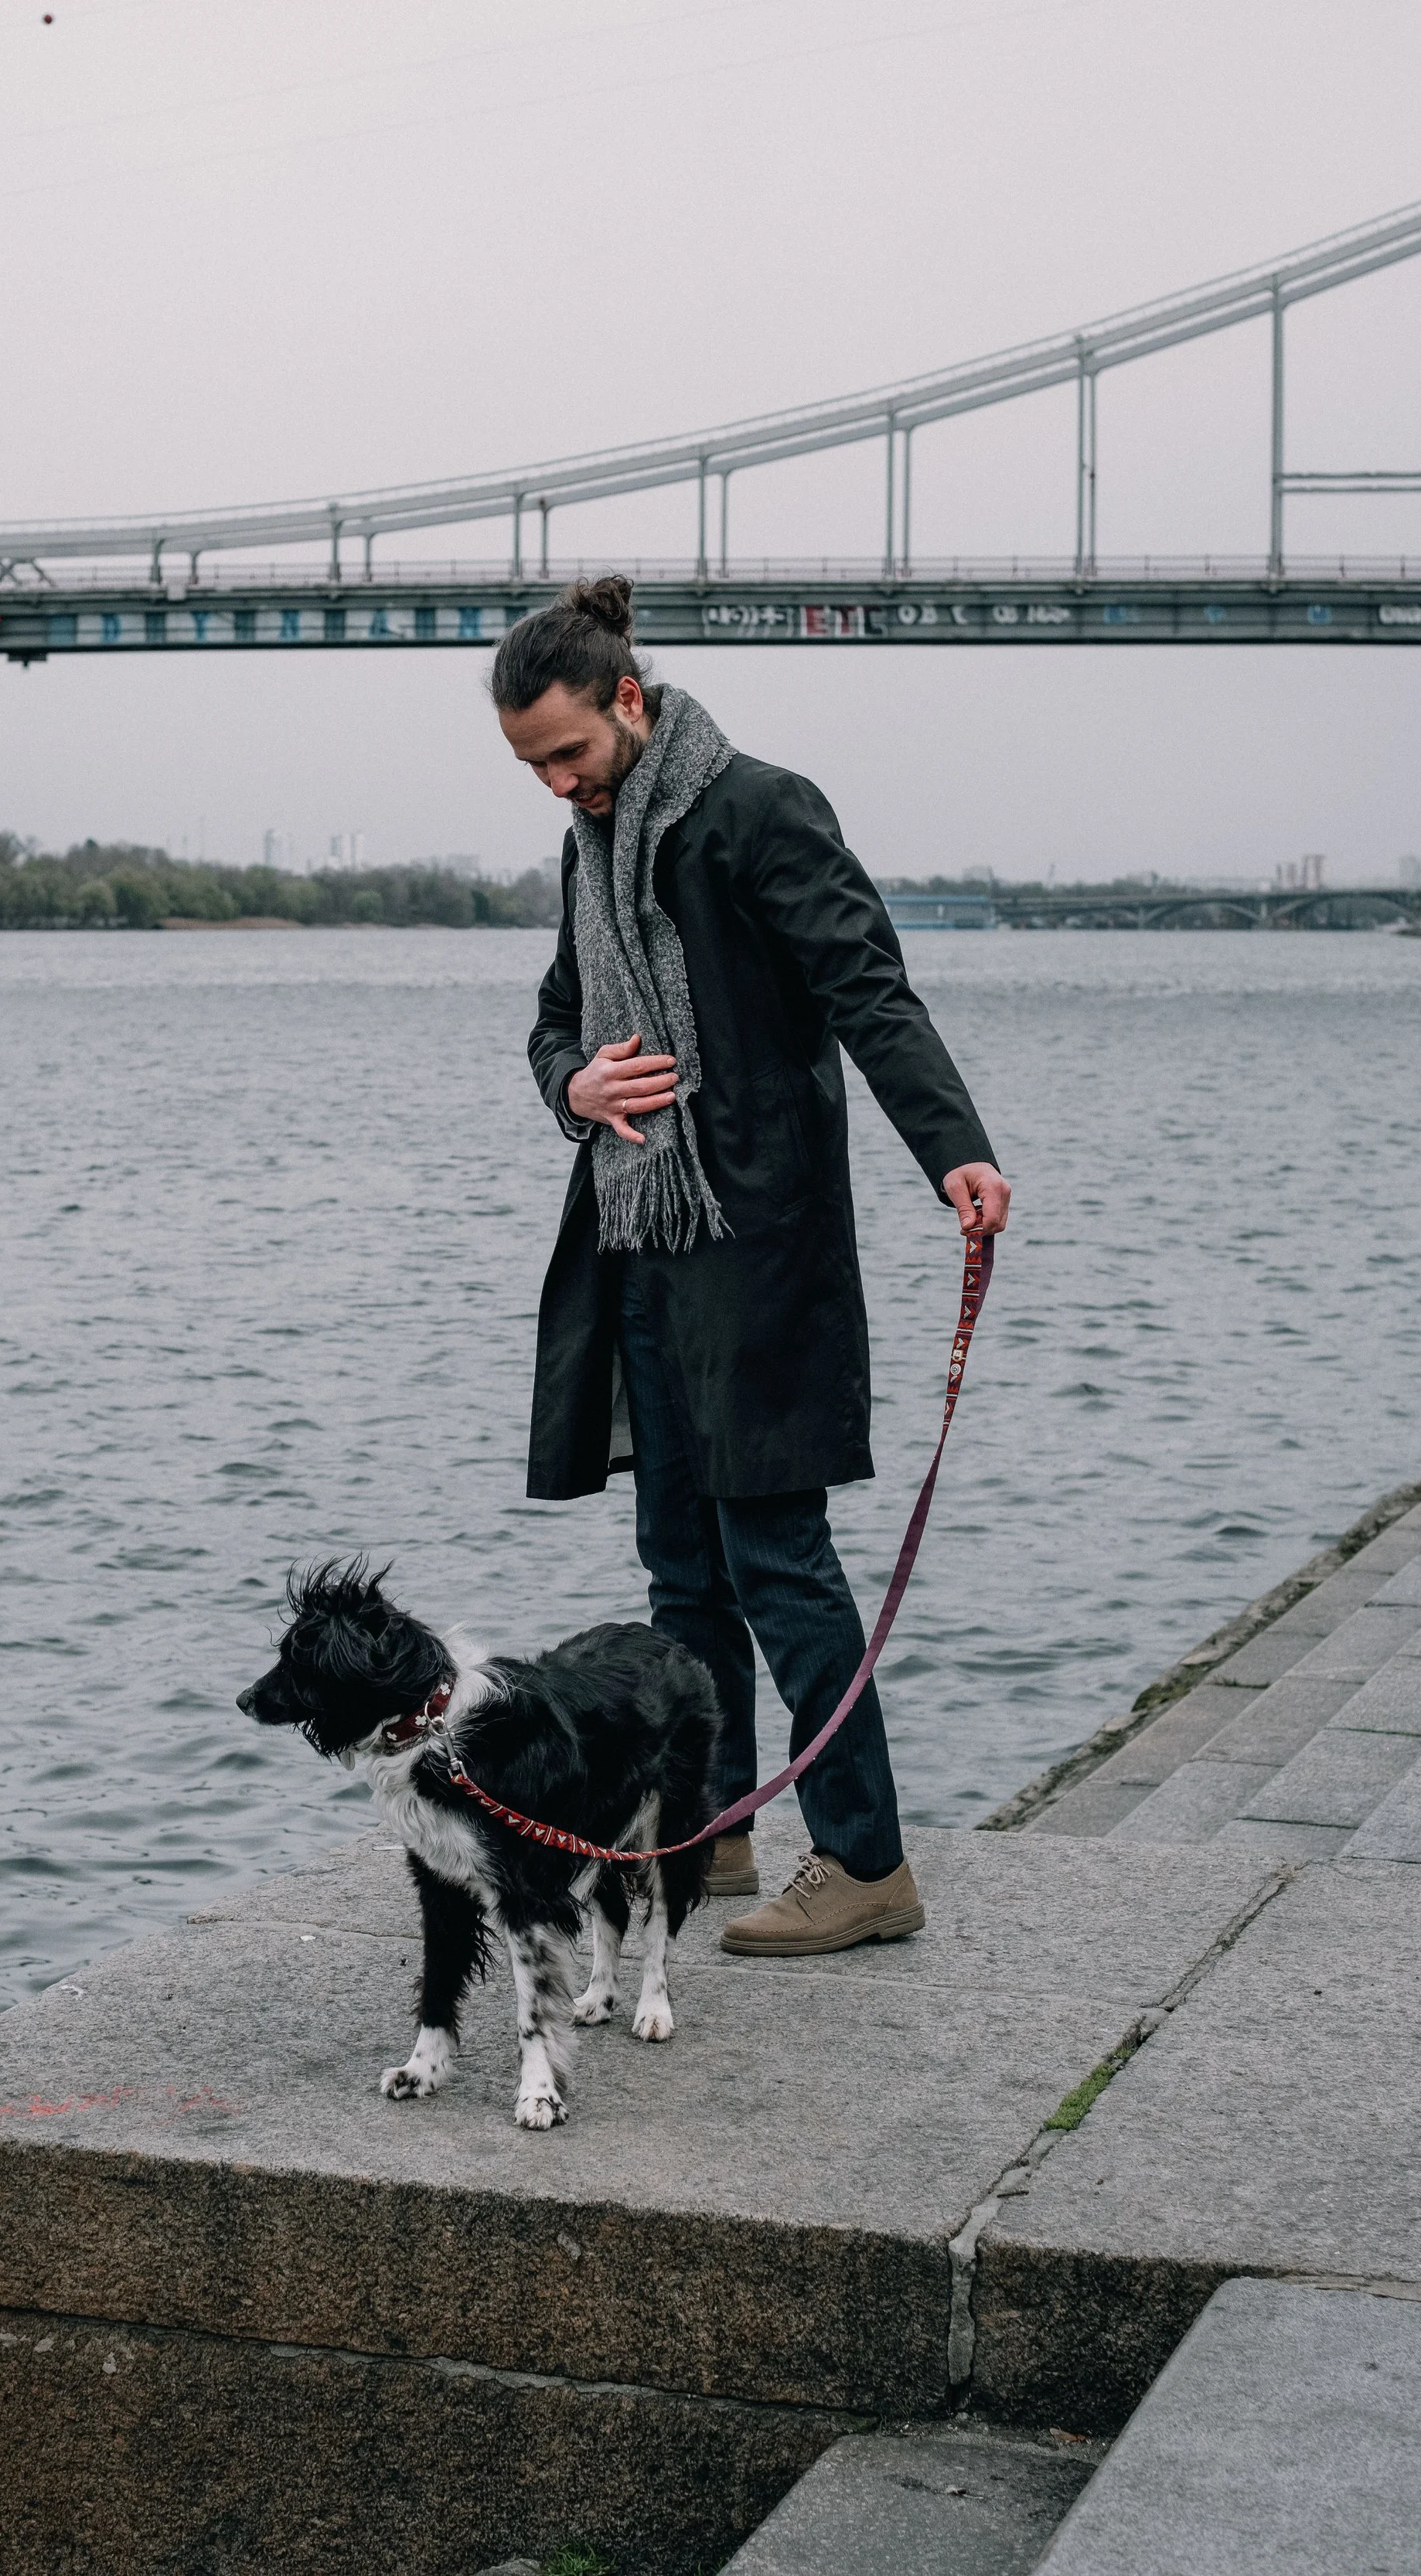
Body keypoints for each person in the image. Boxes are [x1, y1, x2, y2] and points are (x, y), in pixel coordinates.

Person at [496, 576, 1009, 1958]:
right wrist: (577, 1088)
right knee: (680, 1567)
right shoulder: (591, 845)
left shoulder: (762, 810)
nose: (557, 785)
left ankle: (865, 1862)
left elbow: (869, 991)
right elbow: (554, 1022)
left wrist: (954, 1150)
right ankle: (711, 1827)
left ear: (628, 699)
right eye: (532, 766)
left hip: (762, 1244)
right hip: (640, 1244)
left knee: (779, 1561)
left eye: (568, 753)